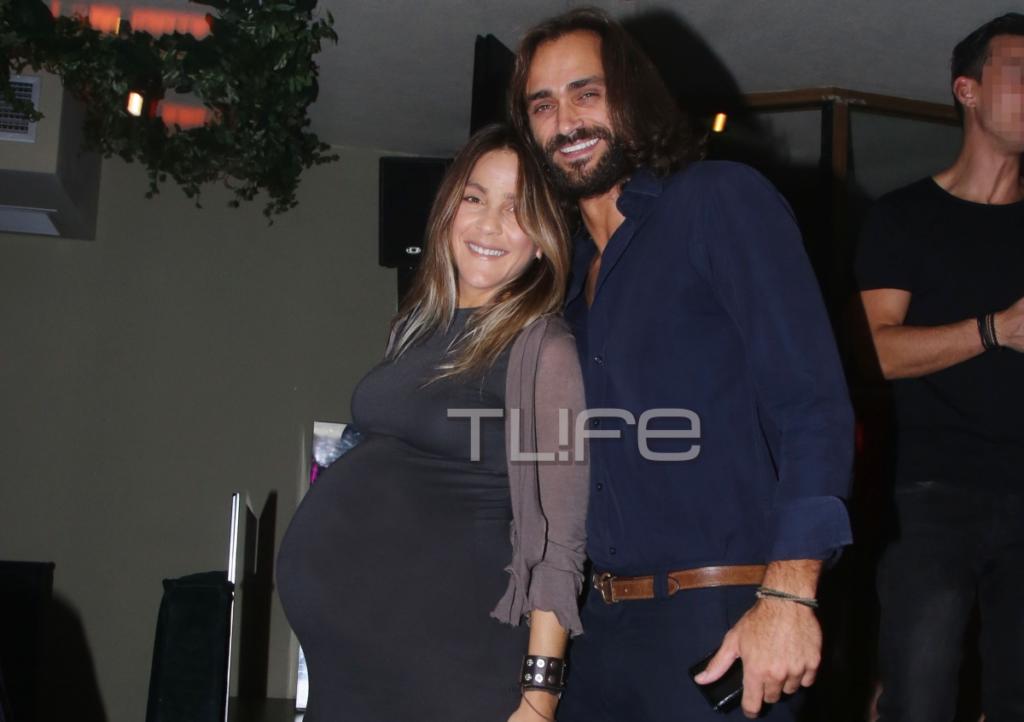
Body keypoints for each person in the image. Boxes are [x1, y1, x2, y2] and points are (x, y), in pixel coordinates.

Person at [509, 9, 854, 721]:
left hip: (721, 623)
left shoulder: (717, 200)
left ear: (633, 97)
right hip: (596, 638)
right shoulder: (563, 284)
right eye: (542, 105)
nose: (565, 121)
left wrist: (790, 593)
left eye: (586, 92)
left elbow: (812, 405)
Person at [276, 124, 589, 722]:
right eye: (475, 198)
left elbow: (559, 542)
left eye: (516, 209)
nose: (489, 224)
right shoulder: (415, 328)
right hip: (350, 675)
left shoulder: (544, 350)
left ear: (544, 240)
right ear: (448, 211)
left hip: (450, 669)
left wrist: (539, 699)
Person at [856, 14, 1024, 722]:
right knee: (918, 694)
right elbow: (875, 352)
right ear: (968, 90)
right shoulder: (904, 217)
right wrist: (997, 330)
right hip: (930, 496)